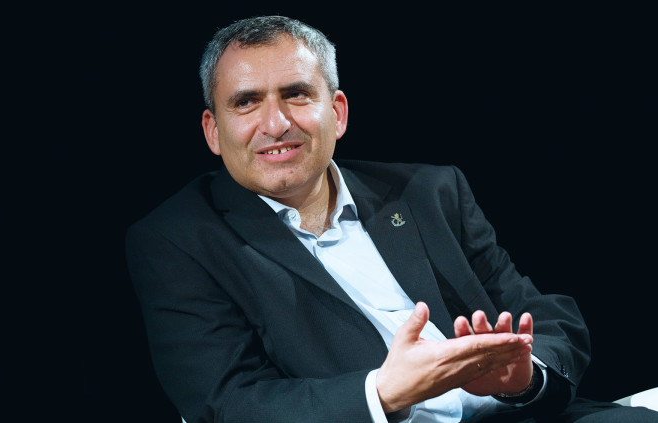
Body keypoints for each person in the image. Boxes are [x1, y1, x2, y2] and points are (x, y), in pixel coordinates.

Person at [126, 16, 656, 422]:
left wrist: (525, 377)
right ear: (213, 131)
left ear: (337, 112)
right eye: (246, 103)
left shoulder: (430, 191)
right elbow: (227, 403)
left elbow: (547, 316)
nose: (276, 122)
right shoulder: (177, 241)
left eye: (296, 94)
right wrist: (381, 393)